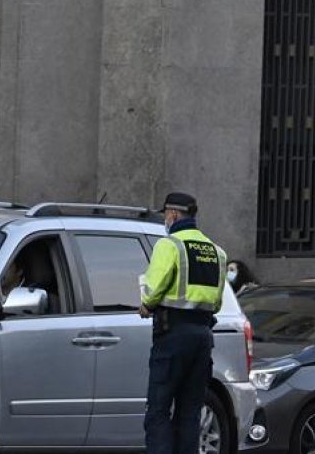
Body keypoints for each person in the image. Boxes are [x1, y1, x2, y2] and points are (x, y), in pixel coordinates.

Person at [139, 192, 227, 454]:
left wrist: (146, 305)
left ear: (174, 214)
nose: (165, 219)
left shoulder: (170, 245)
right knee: (190, 414)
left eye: (165, 214)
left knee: (158, 411)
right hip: (202, 339)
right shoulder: (217, 253)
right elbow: (217, 303)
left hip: (172, 337)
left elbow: (152, 291)